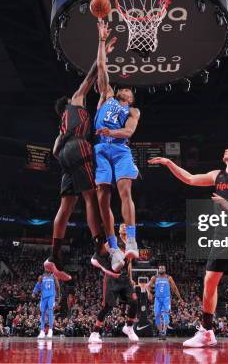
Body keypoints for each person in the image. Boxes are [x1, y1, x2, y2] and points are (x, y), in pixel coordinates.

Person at [149, 145, 228, 349]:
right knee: (210, 281)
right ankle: (207, 332)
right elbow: (190, 179)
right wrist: (168, 163)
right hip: (222, 233)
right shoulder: (217, 175)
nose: (226, 149)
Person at [44, 22, 119, 281]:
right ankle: (99, 247)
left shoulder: (61, 125)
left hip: (64, 154)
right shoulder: (75, 102)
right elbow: (90, 77)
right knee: (91, 198)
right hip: (78, 147)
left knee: (65, 206)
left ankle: (54, 256)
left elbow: (55, 151)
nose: (81, 96)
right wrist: (103, 51)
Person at [94, 20, 142, 270]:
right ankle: (113, 248)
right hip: (101, 148)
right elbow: (101, 66)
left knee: (125, 191)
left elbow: (129, 132)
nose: (126, 90)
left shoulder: (133, 110)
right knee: (103, 197)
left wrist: (111, 130)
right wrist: (102, 40)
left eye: (130, 91)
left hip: (120, 149)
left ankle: (131, 240)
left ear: (131, 98)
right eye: (124, 88)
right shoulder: (107, 95)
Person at [89, 224, 139, 344]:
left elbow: (129, 263)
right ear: (119, 229)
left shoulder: (131, 243)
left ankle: (129, 327)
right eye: (122, 226)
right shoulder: (113, 241)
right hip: (112, 278)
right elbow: (95, 258)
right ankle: (95, 333)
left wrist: (131, 278)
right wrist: (106, 270)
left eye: (126, 226)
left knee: (134, 302)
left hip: (125, 279)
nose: (124, 227)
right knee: (107, 306)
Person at [148, 265, 182, 339]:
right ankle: (160, 332)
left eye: (163, 268)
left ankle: (164, 332)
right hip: (157, 299)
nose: (161, 269)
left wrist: (180, 298)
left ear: (165, 270)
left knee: (166, 315)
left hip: (166, 299)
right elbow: (148, 286)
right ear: (158, 269)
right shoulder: (155, 277)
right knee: (157, 314)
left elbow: (175, 288)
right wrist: (149, 293)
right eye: (160, 268)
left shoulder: (169, 278)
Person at [32, 271, 59, 339]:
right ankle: (42, 331)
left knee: (50, 312)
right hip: (43, 297)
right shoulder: (41, 277)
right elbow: (38, 285)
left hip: (51, 296)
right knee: (43, 313)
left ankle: (50, 329)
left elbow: (58, 286)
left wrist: (58, 296)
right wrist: (34, 292)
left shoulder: (54, 276)